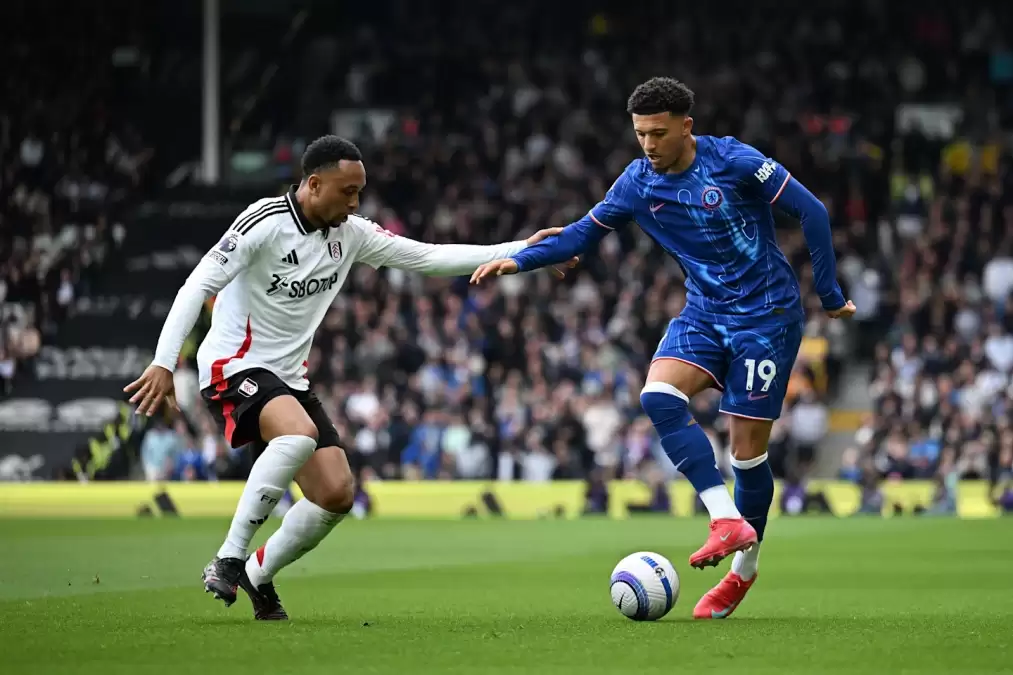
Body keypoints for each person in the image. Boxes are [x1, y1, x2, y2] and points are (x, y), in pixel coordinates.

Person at [124, 135, 573, 620]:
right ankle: (229, 557)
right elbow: (197, 285)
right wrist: (164, 362)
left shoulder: (351, 234)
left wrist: (522, 252)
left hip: (289, 380)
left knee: (336, 494)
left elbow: (426, 256)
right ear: (314, 184)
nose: (356, 203)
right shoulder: (263, 223)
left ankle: (257, 573)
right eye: (348, 191)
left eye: (360, 192)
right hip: (233, 366)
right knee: (299, 435)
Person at [471, 77, 856, 620]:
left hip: (766, 318)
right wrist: (518, 260)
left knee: (747, 453)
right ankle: (724, 518)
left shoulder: (734, 162)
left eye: (658, 133)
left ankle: (744, 570)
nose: (648, 144)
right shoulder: (637, 182)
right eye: (640, 134)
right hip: (704, 313)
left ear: (686, 126)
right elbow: (581, 234)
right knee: (657, 396)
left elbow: (812, 211)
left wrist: (831, 295)